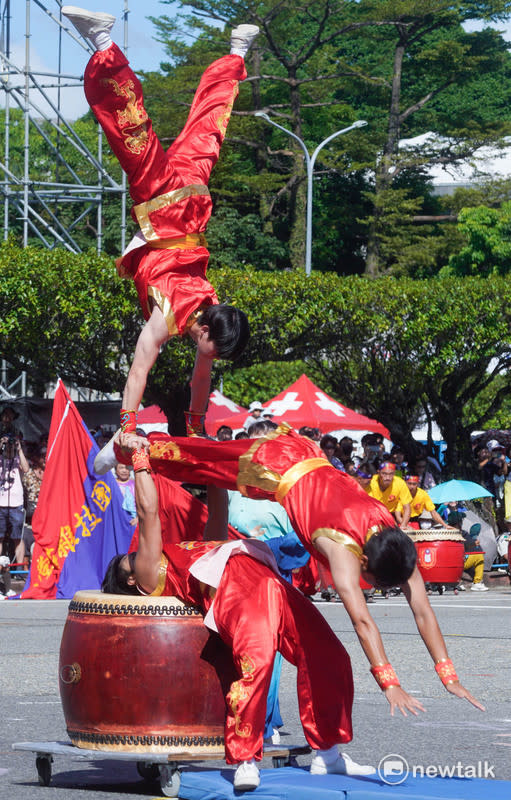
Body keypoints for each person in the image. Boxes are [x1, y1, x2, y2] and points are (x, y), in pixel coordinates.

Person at [110, 422, 484, 718]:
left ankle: (147, 444)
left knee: (207, 463)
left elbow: (422, 608)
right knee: (200, 458)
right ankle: (123, 448)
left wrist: (447, 675)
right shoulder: (341, 551)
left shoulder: (396, 542)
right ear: (364, 564)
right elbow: (363, 621)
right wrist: (389, 682)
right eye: (371, 580)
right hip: (277, 467)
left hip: (308, 456)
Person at [103, 444, 375, 791]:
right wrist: (140, 462)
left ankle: (328, 754)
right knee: (256, 665)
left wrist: (209, 464)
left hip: (264, 576)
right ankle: (245, 759)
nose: (131, 555)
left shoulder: (186, 551)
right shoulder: (148, 573)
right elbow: (148, 515)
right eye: (125, 559)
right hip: (235, 588)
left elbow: (217, 513)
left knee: (328, 653)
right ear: (129, 579)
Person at [62, 7, 254, 440]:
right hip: (166, 208)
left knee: (208, 131)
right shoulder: (171, 317)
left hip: (192, 205)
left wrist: (196, 427)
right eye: (215, 350)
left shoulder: (211, 309)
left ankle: (238, 51)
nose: (212, 358)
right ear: (206, 332)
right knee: (133, 134)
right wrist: (126, 430)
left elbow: (199, 381)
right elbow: (139, 370)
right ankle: (104, 44)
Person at [368, 462, 412, 527]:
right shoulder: (370, 481)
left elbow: (407, 507)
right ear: (378, 472)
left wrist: (403, 525)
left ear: (394, 473)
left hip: (390, 515)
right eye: (384, 474)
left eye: (391, 474)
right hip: (372, 515)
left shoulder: (400, 483)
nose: (388, 477)